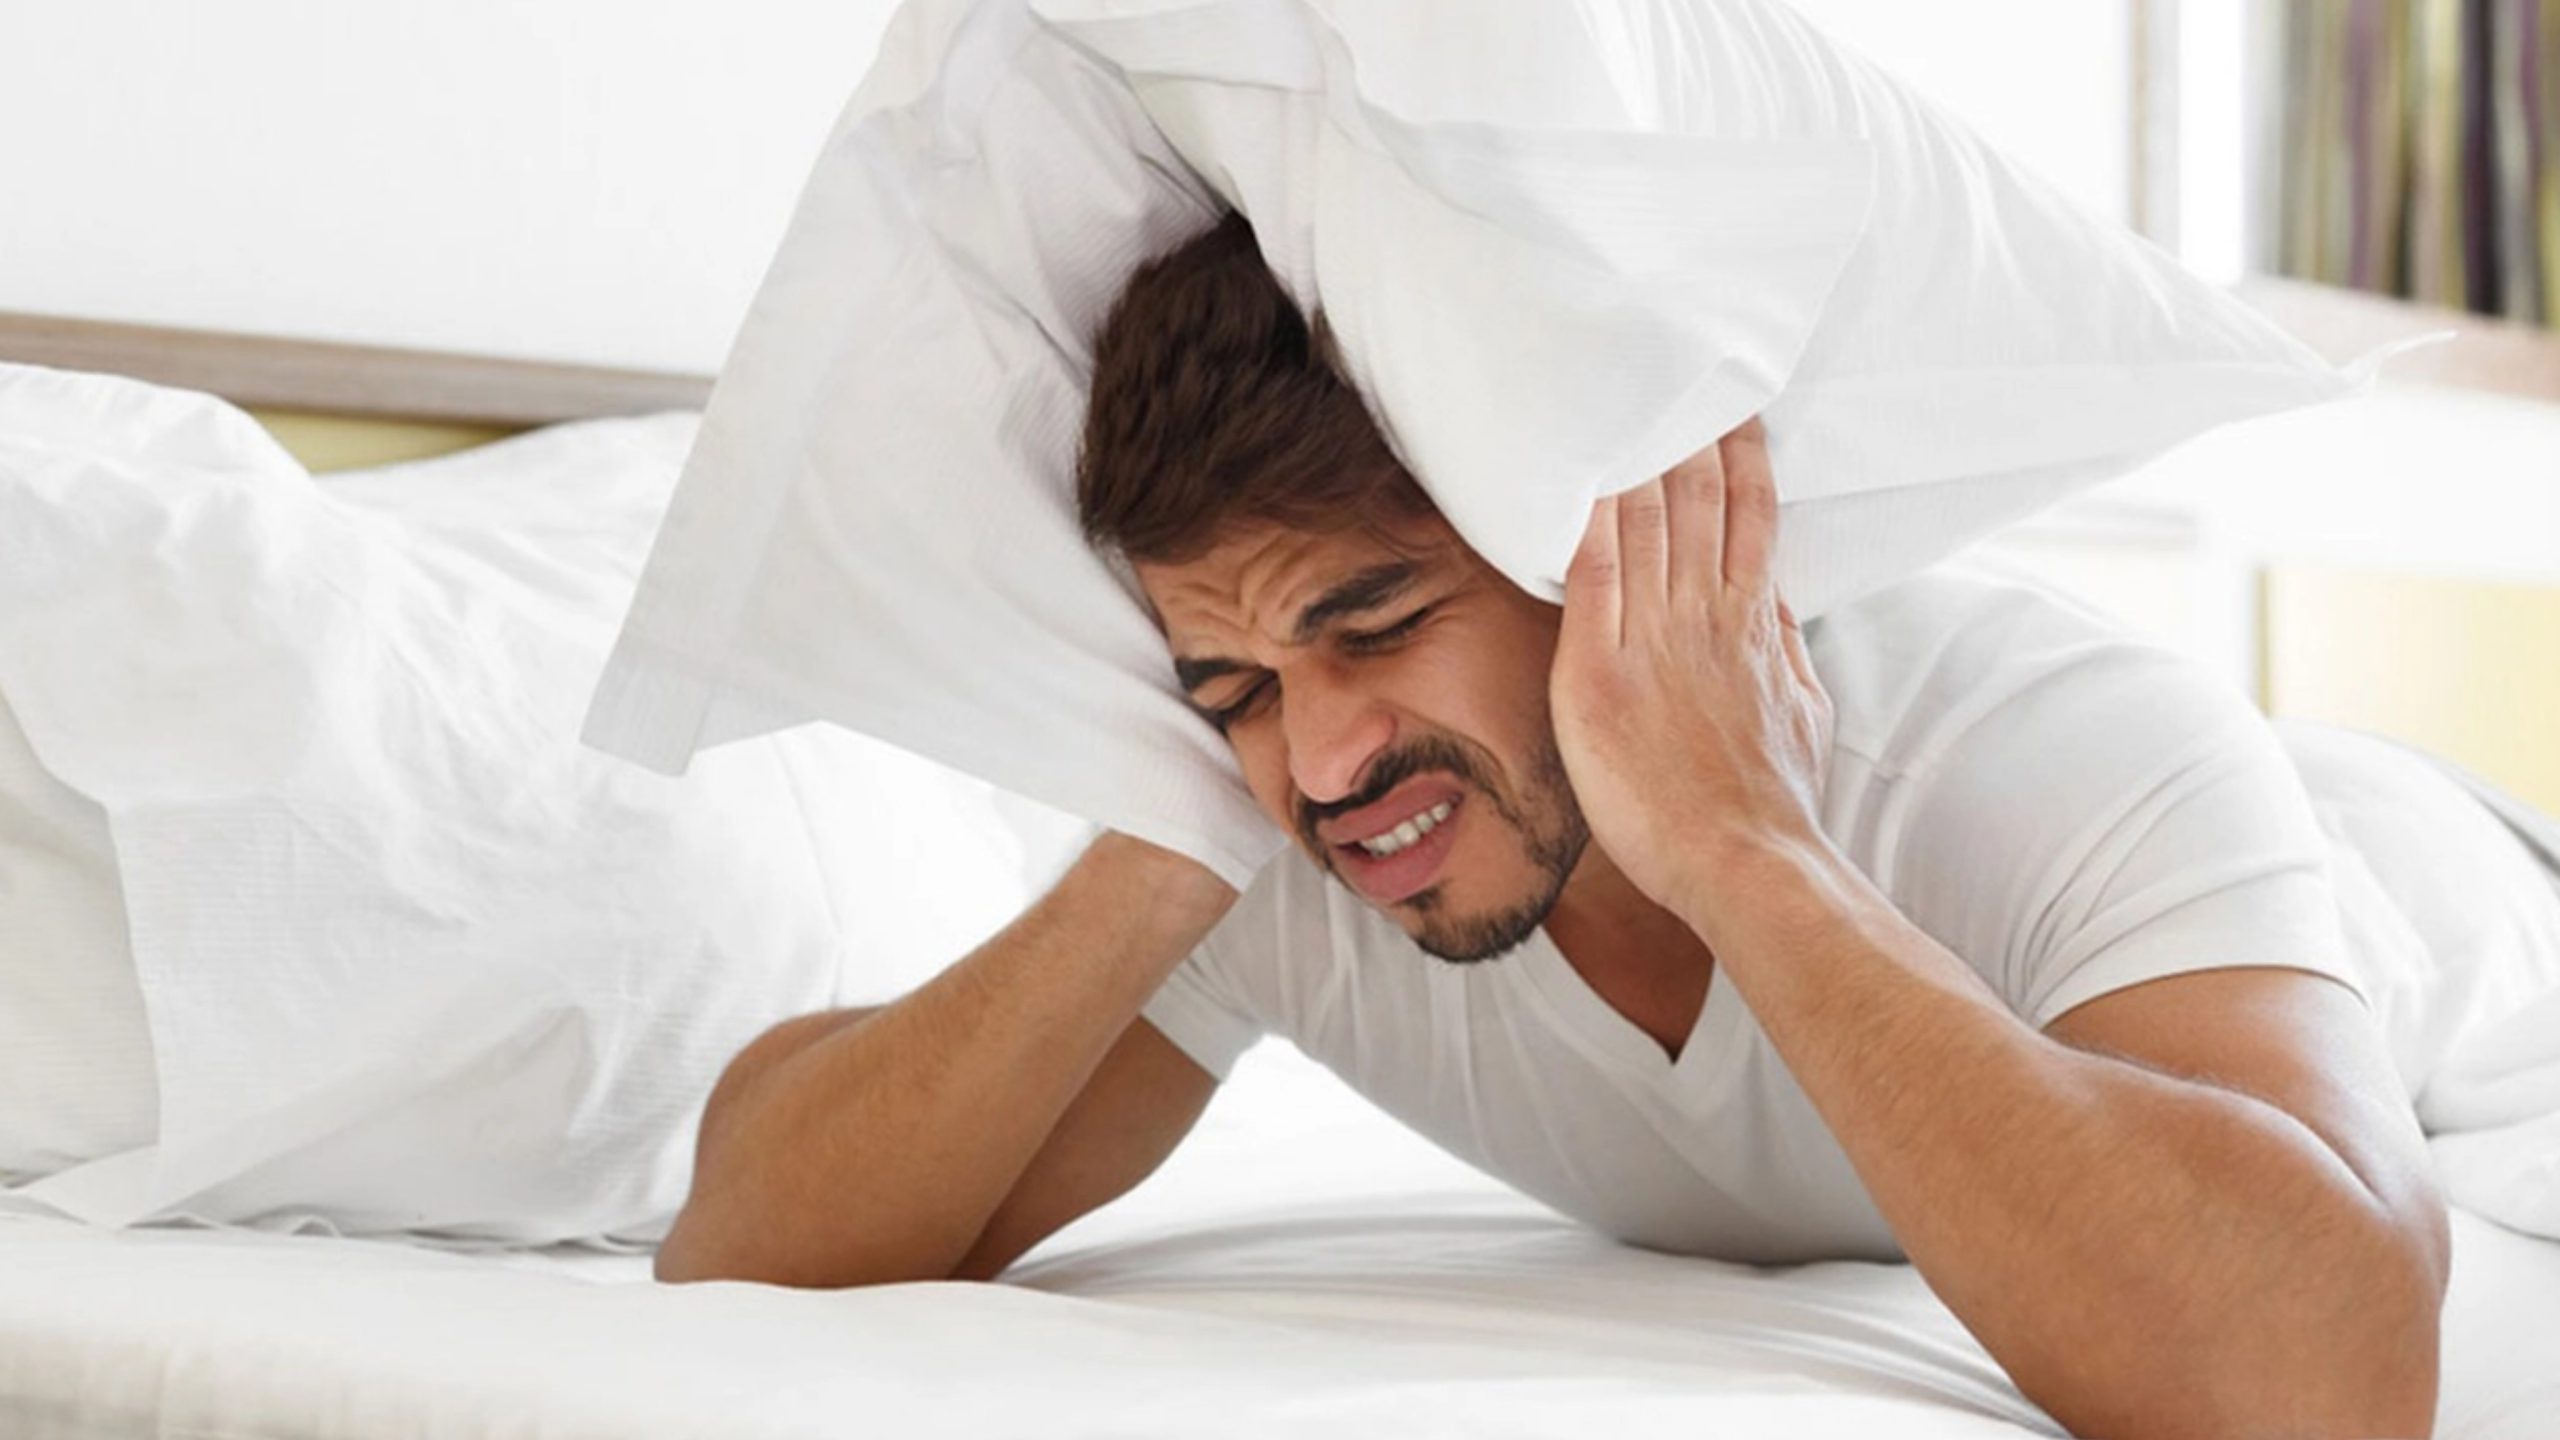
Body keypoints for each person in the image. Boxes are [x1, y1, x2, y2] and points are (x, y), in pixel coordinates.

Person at [652, 213, 2475, 1439]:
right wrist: (1167, 832)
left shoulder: (2045, 744)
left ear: (1597, 558)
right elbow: (742, 1241)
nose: (1329, 754)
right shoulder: (1294, 831)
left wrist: (1746, 846)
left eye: (1376, 623)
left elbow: (2327, 1382)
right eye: (1237, 683)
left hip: (2448, 901)